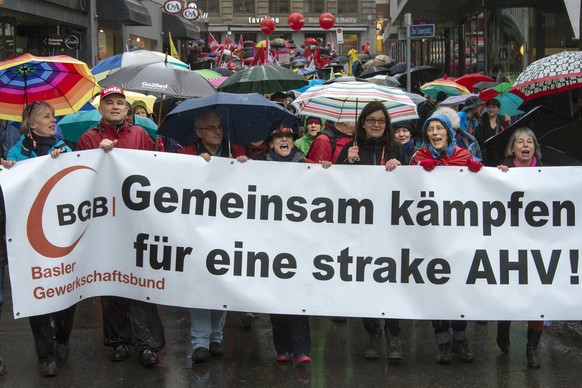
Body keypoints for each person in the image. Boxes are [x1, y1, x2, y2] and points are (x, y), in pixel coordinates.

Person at [76, 86, 165, 368]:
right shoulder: (88, 138)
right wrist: (98, 156)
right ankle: (118, 341)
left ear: (127, 109)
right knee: (110, 281)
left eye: (119, 103)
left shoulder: (141, 135)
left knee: (140, 282)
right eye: (109, 103)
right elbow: (79, 178)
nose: (115, 107)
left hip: (137, 221)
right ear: (100, 109)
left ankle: (147, 343)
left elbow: (158, 168)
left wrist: (158, 148)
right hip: (104, 222)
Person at [4, 101, 74, 377]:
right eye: (46, 116)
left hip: (62, 232)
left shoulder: (66, 149)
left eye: (53, 116)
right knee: (38, 292)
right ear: (31, 124)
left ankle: (64, 336)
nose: (53, 120)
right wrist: (12, 166)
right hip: (30, 235)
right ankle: (45, 355)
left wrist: (63, 159)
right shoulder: (15, 152)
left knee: (67, 287)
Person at [410, 113, 481, 364]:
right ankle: (442, 341)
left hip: (459, 236)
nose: (435, 133)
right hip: (430, 236)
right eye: (430, 129)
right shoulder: (418, 158)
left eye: (439, 128)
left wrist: (495, 172)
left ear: (449, 132)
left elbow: (485, 186)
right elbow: (404, 189)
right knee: (436, 288)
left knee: (459, 288)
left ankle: (461, 338)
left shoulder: (464, 156)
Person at [336, 101, 404, 361]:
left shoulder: (396, 148)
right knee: (366, 280)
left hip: (391, 227)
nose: (376, 124)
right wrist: (346, 162)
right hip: (360, 228)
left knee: (393, 281)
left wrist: (401, 167)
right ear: (362, 122)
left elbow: (413, 184)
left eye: (381, 120)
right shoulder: (350, 149)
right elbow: (335, 186)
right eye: (371, 120)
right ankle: (373, 332)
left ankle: (394, 333)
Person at [177, 110, 228, 363]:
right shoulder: (186, 154)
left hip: (227, 228)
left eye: (219, 127)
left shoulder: (233, 150)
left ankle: (216, 336)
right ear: (199, 132)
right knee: (200, 282)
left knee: (221, 281)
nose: (217, 132)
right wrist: (194, 165)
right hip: (196, 229)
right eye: (210, 128)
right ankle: (200, 341)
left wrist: (240, 163)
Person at [496, 127, 544, 368]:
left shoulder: (547, 174)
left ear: (534, 147)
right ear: (512, 148)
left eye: (530, 141)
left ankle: (532, 347)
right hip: (508, 242)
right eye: (520, 141)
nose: (525, 145)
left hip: (538, 244)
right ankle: (502, 327)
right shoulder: (502, 171)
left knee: (537, 294)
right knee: (509, 290)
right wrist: (499, 176)